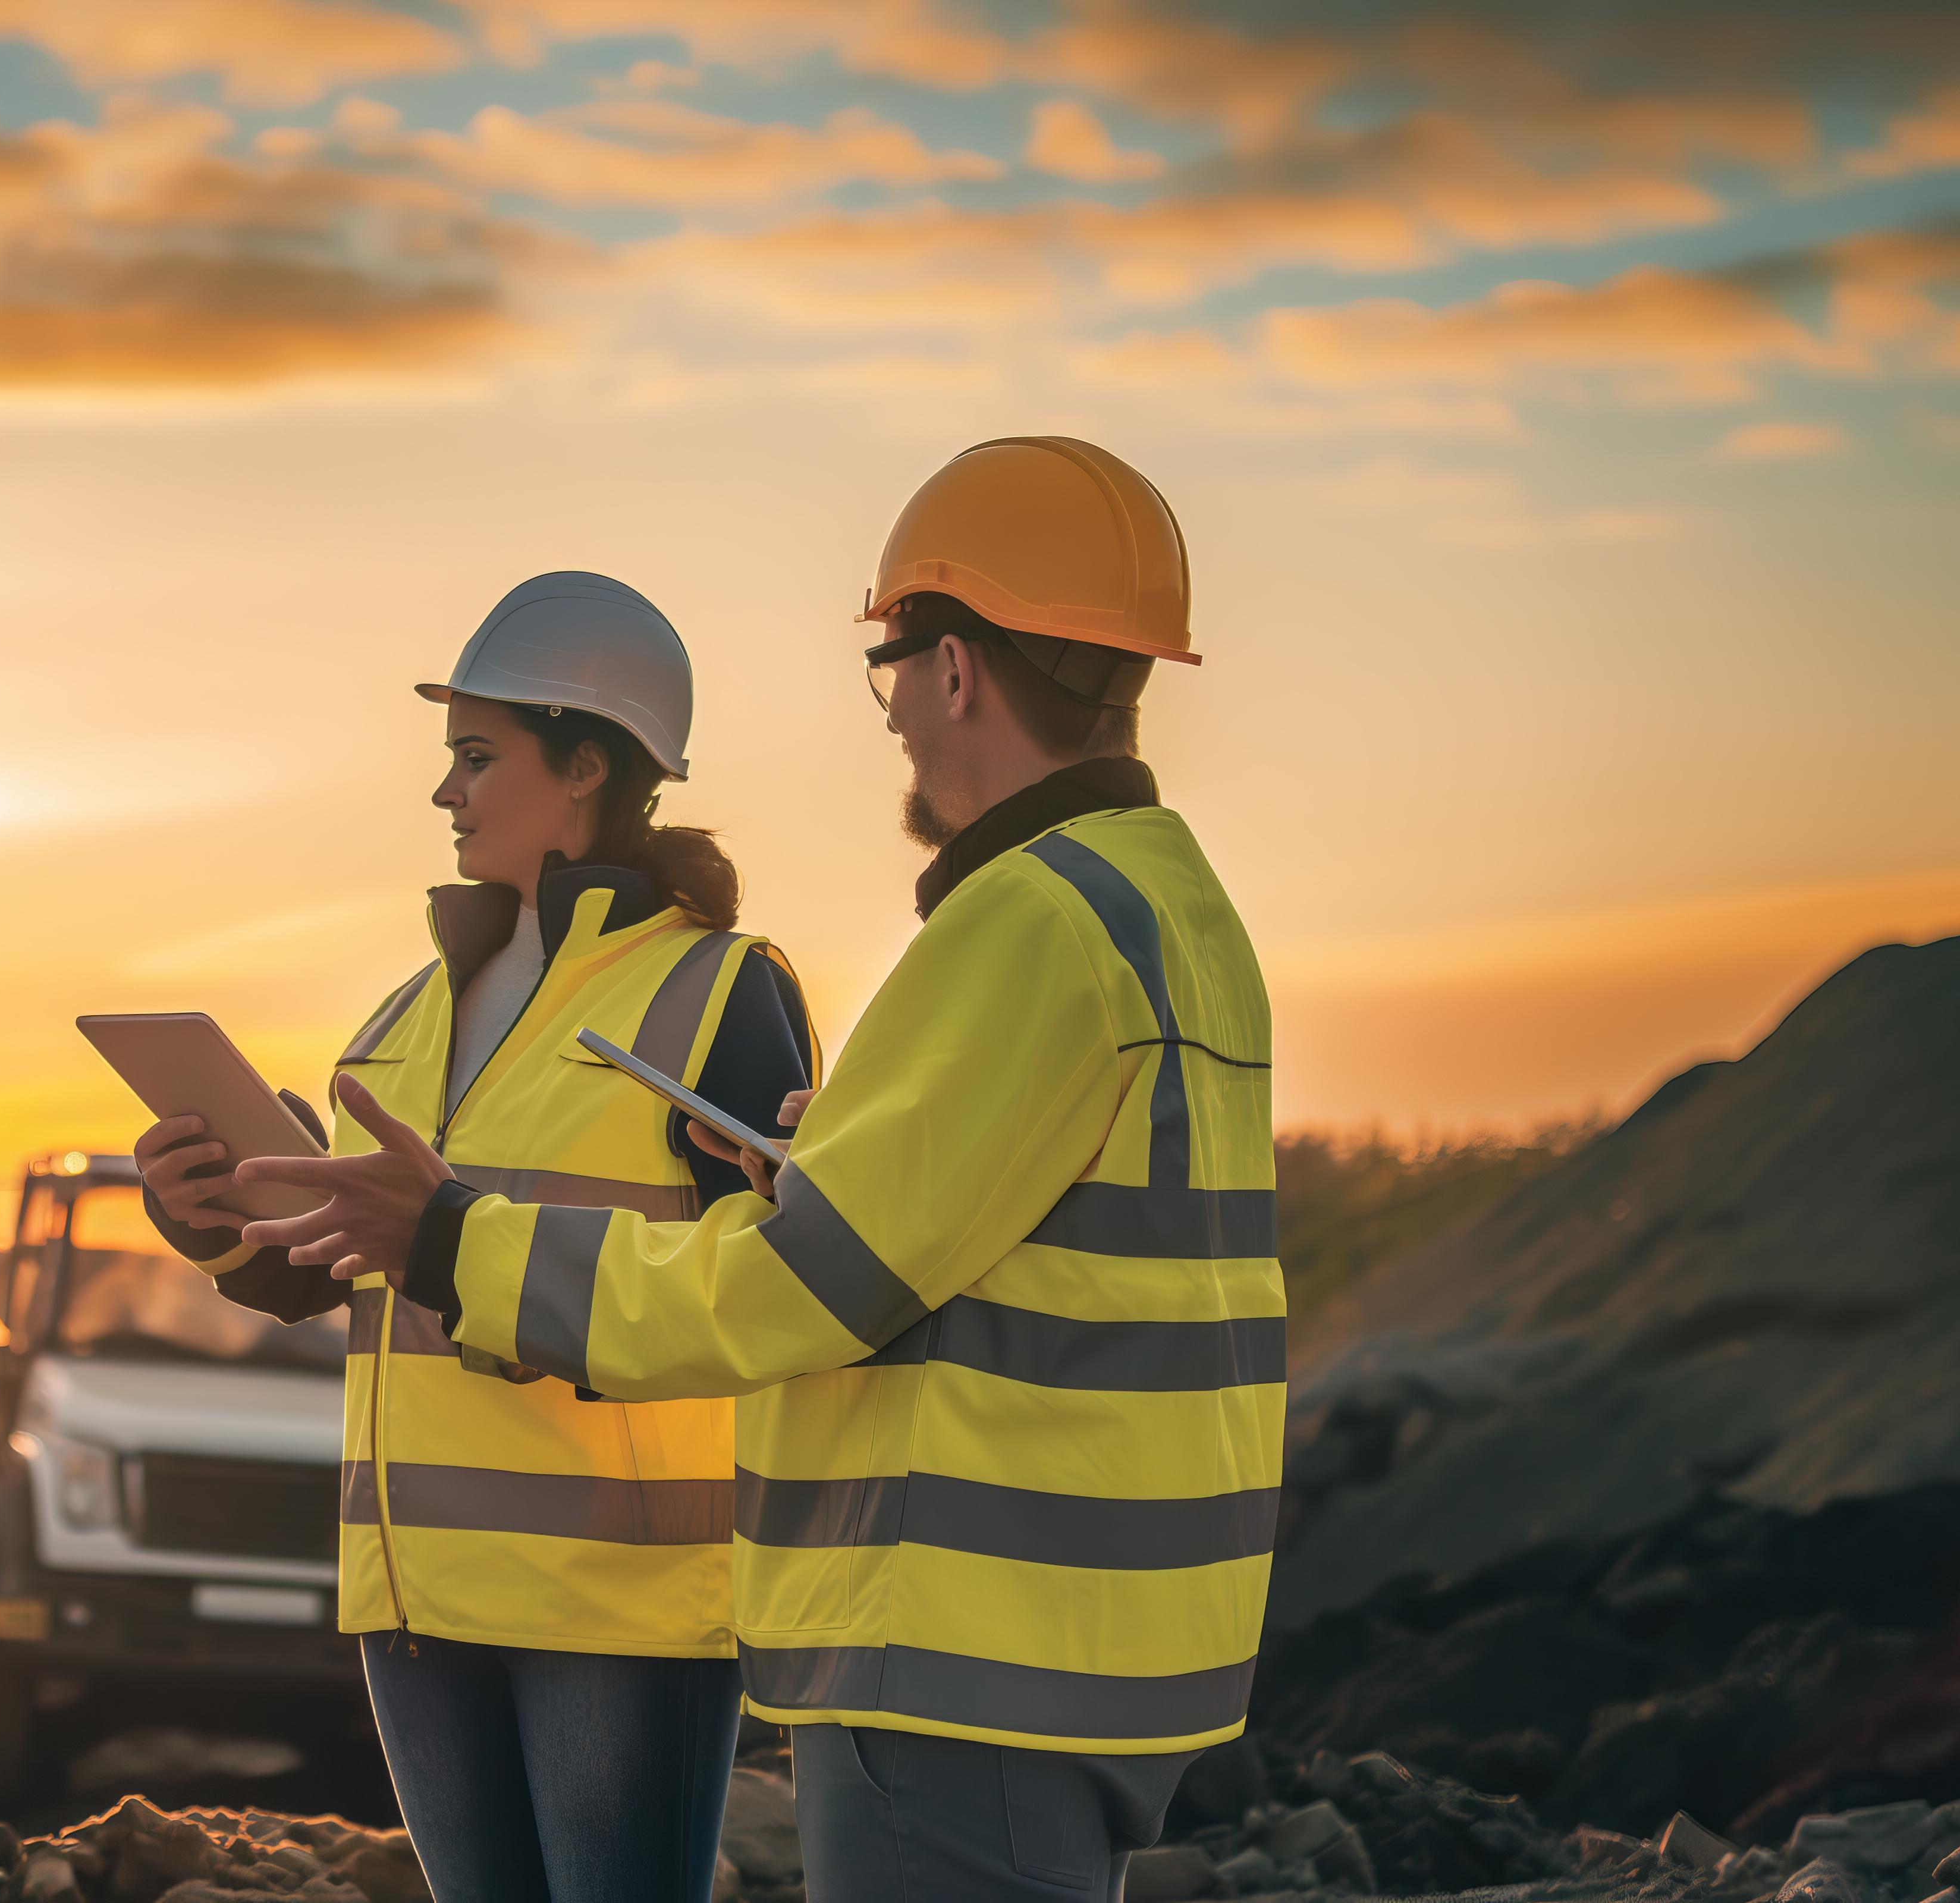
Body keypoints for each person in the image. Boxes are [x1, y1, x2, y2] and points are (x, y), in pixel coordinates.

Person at [231, 440, 1281, 1903]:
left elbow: (796, 1290)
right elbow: (1015, 1237)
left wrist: (461, 1247)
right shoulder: (1166, 907)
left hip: (962, 1644)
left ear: (959, 668)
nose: (897, 715)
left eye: (894, 667)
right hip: (1077, 1635)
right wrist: (819, 1168)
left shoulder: (1023, 930)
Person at [132, 571, 819, 1903]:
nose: (445, 791)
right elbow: (333, 1272)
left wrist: (485, 1260)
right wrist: (214, 1218)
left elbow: (775, 1297)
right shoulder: (408, 1011)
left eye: (474, 755)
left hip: (614, 1607)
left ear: (584, 765)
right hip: (417, 1598)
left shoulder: (718, 992)